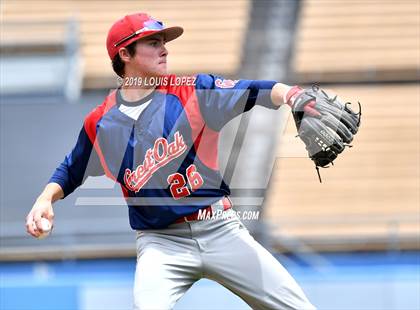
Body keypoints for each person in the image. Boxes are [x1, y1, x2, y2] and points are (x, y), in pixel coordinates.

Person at [26, 13, 316, 309]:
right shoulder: (101, 123)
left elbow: (256, 90)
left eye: (163, 42)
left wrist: (293, 95)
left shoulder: (194, 91)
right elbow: (71, 169)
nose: (164, 49)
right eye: (153, 42)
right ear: (124, 54)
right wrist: (44, 198)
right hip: (161, 244)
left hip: (219, 229)